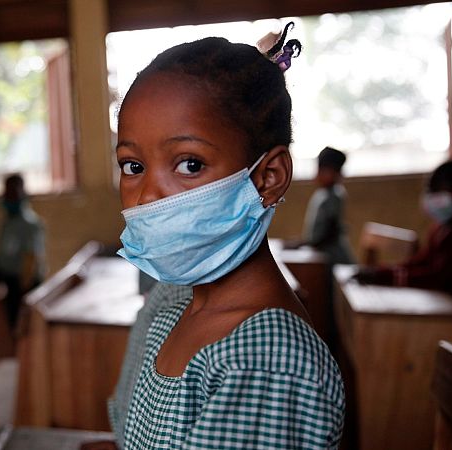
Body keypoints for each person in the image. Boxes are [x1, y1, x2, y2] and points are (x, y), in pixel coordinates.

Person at [107, 25, 344, 449]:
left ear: (268, 177)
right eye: (133, 166)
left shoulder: (265, 360)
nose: (147, 196)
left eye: (190, 164)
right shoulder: (176, 310)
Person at [357, 159, 452, 361]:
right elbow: (420, 262)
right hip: (449, 318)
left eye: (437, 189)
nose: (430, 195)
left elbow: (436, 277)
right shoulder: (442, 228)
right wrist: (381, 272)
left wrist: (385, 277)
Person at [286, 146, 354, 264]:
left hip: (333, 259)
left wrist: (302, 243)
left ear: (336, 173)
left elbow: (326, 236)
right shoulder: (323, 194)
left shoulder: (333, 196)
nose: (317, 174)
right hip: (324, 256)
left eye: (322, 170)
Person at [0, 173, 47, 330]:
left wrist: (24, 292)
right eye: (7, 192)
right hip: (10, 283)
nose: (8, 197)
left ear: (23, 194)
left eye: (13, 193)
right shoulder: (7, 223)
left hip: (24, 285)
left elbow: (31, 258)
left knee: (25, 328)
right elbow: (7, 252)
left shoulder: (30, 224)